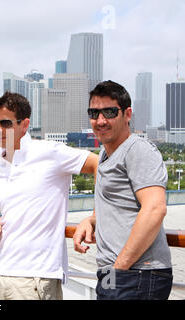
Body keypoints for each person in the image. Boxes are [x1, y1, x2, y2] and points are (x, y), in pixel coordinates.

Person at [0, 91, 98, 300]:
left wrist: (95, 216)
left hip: (36, 277)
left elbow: (100, 166)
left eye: (6, 124)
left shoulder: (50, 152)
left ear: (24, 125)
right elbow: (22, 206)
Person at [73, 80, 172, 300]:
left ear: (127, 114)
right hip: (116, 273)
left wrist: (120, 267)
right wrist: (90, 221)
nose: (100, 120)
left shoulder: (137, 149)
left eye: (109, 112)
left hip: (138, 273)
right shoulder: (106, 155)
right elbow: (116, 203)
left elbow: (155, 208)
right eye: (94, 113)